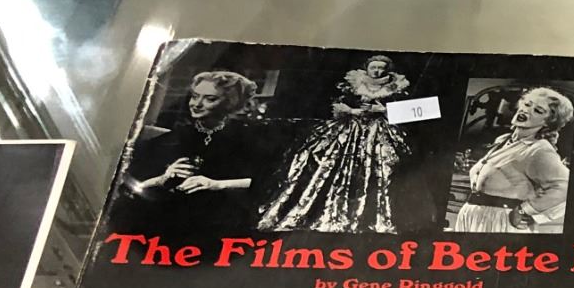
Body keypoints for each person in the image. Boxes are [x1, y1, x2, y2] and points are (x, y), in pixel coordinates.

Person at [258, 54, 417, 233]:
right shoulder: (354, 83)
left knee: (385, 166)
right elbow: (338, 104)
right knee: (320, 157)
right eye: (374, 67)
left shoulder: (396, 87)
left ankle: (372, 217)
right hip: (349, 127)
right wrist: (352, 111)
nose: (377, 71)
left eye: (381, 68)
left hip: (379, 130)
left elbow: (407, 111)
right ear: (367, 68)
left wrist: (382, 110)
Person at [123, 70, 277, 233]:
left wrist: (217, 184)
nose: (197, 104)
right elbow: (131, 187)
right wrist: (163, 178)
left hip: (221, 224)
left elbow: (267, 182)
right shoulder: (170, 139)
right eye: (195, 96)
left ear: (230, 103)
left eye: (210, 99)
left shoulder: (248, 138)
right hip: (167, 220)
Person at [450, 86, 572, 233]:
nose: (526, 111)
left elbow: (565, 187)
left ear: (548, 122)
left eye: (538, 111)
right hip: (474, 216)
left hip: (499, 221)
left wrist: (524, 210)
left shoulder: (539, 149)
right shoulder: (503, 140)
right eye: (527, 104)